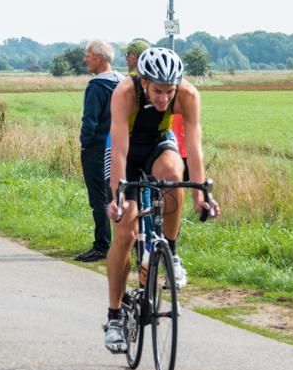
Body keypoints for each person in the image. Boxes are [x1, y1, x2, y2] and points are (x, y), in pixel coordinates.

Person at [103, 47, 220, 353]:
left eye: (170, 91)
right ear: (144, 82)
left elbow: (194, 147)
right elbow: (118, 149)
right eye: (157, 91)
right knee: (126, 231)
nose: (164, 99)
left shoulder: (188, 95)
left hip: (158, 143)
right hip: (124, 150)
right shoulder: (125, 92)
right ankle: (114, 316)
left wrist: (200, 193)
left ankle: (171, 250)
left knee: (173, 172)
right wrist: (118, 194)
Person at [75, 41, 124, 262]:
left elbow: (90, 121)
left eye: (88, 55)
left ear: (99, 57)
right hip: (120, 145)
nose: (86, 59)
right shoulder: (123, 83)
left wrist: (84, 143)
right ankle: (123, 242)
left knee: (99, 198)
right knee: (121, 195)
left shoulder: (96, 86)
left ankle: (101, 245)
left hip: (97, 147)